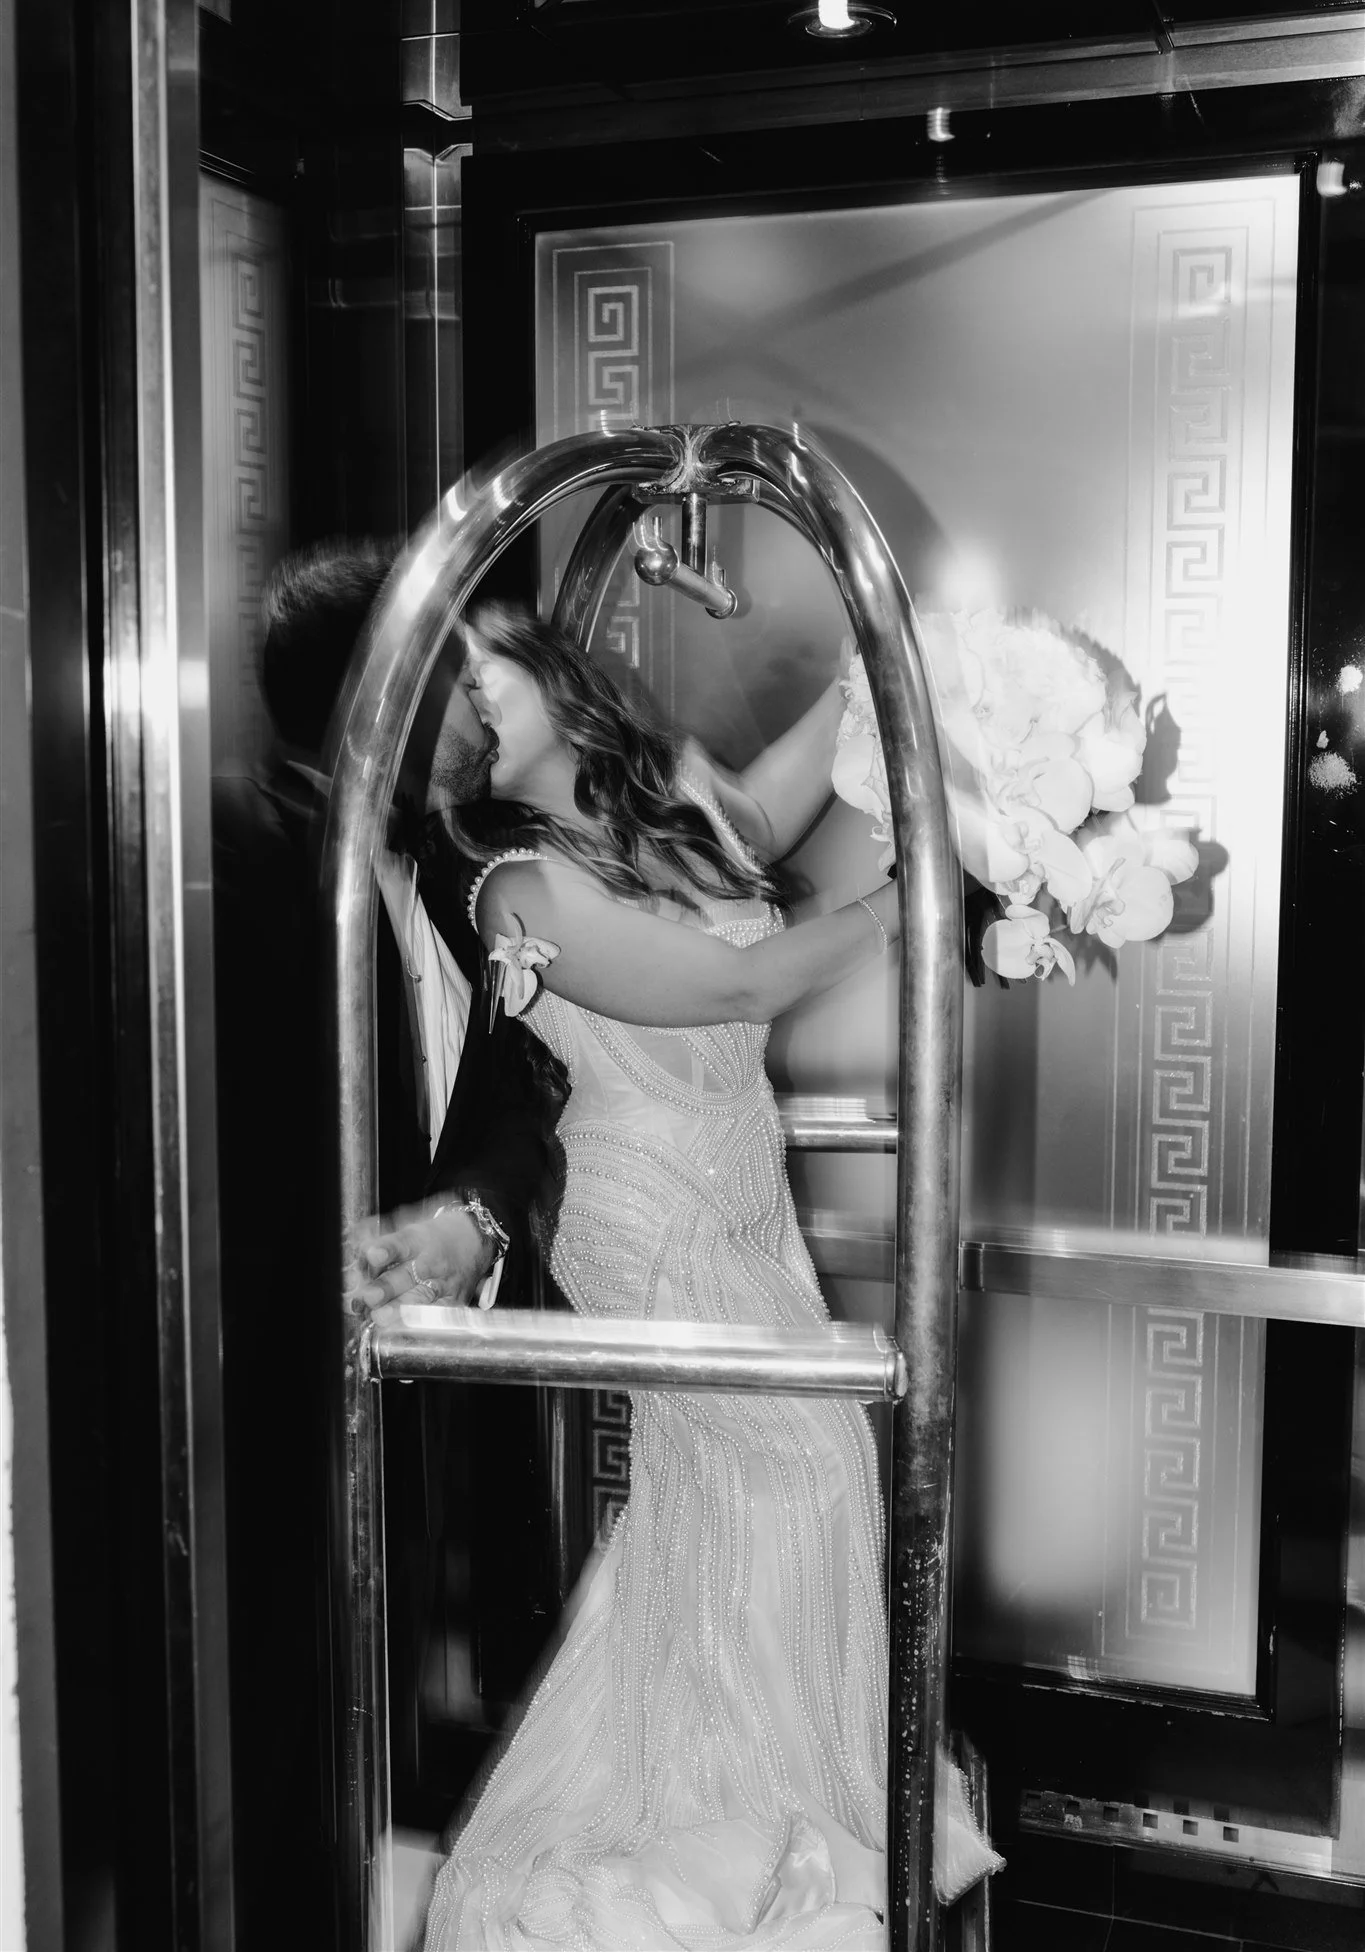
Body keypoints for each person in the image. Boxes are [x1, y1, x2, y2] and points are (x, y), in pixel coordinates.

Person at [423, 607, 898, 1952]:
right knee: (813, 1474)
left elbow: (773, 803)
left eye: (479, 669)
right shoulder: (513, 882)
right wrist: (927, 892)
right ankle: (775, 1818)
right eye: (447, 700)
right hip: (648, 1209)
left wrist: (889, 676)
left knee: (729, 1506)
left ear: (539, 661)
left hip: (741, 1193)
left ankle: (720, 1805)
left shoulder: (656, 804)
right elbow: (735, 986)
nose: (469, 700)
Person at [212, 543, 570, 1926]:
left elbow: (519, 1097)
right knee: (276, 1759)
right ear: (385, 693)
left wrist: (475, 1210)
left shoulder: (441, 878)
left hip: (394, 1417)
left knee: (358, 1755)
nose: (482, 708)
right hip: (267, 1426)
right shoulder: (237, 869)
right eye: (456, 675)